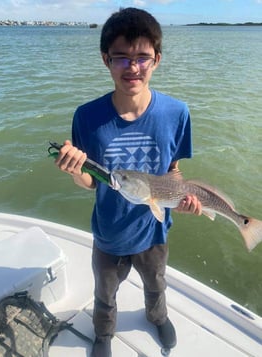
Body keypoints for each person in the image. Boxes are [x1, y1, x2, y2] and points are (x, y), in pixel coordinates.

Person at [55, 7, 202, 357]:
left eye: (142, 57)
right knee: (104, 293)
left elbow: (173, 169)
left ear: (157, 59)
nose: (132, 67)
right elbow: (92, 184)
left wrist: (184, 197)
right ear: (106, 59)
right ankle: (103, 333)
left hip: (154, 232)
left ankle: (157, 316)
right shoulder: (87, 116)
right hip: (108, 234)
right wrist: (76, 170)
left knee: (156, 285)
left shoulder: (177, 113)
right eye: (121, 57)